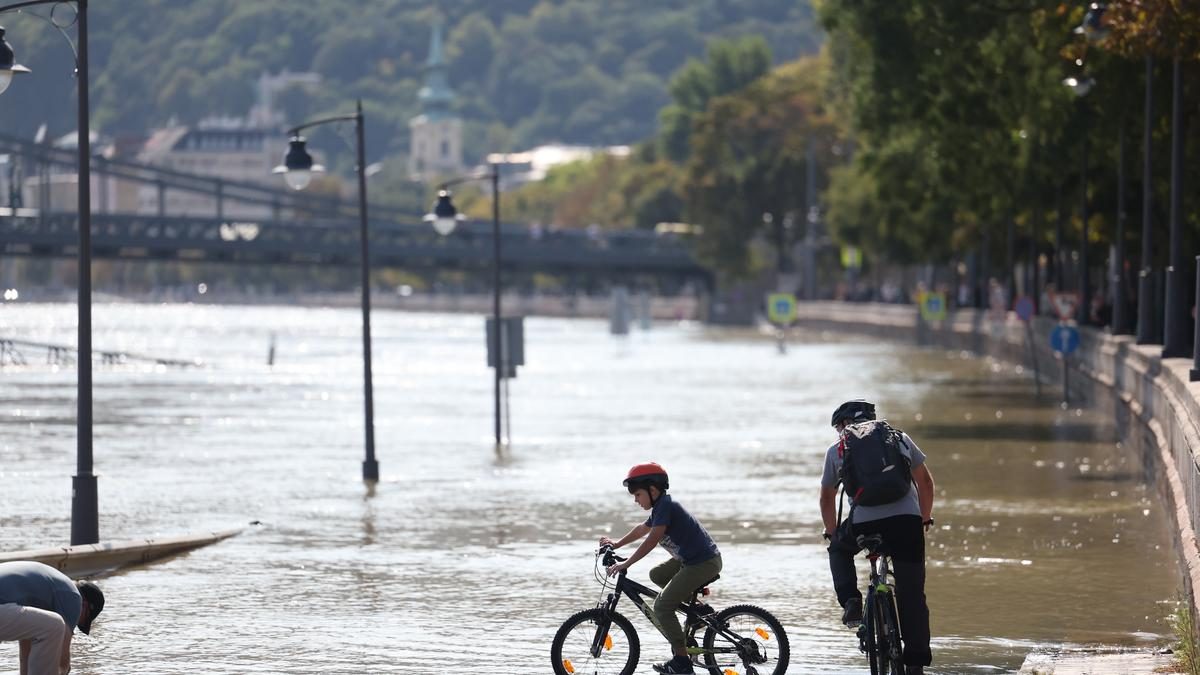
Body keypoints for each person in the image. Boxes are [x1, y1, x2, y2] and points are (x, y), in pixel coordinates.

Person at [819, 400, 934, 675]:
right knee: (912, 595)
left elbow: (826, 497)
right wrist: (924, 518)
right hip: (906, 523)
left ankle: (851, 601)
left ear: (842, 425)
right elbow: (925, 482)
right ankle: (915, 663)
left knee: (839, 550)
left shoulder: (837, 450)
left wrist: (834, 534)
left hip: (863, 524)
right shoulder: (899, 439)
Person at [600, 462, 721, 675]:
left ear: (652, 490)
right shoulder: (660, 507)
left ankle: (682, 663)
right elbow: (641, 530)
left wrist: (625, 564)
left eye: (637, 494)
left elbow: (651, 540)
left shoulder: (666, 506)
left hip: (702, 562)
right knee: (657, 575)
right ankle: (700, 611)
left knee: (662, 607)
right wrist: (615, 544)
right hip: (690, 559)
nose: (636, 500)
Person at [0, 561, 104, 675]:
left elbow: (28, 653)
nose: (75, 624)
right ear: (85, 606)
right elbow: (62, 663)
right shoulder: (73, 596)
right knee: (56, 626)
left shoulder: (49, 584)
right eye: (79, 622)